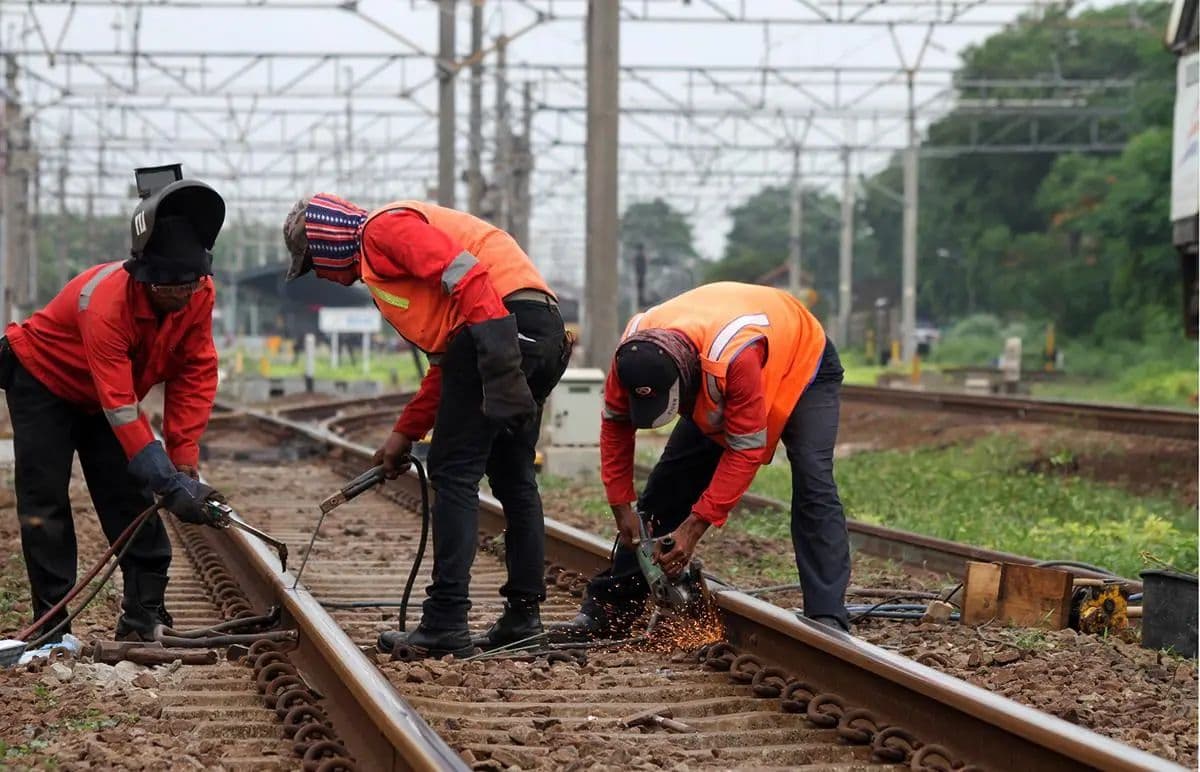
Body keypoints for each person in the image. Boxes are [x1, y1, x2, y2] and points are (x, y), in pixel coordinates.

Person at [282, 194, 571, 658]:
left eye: (315, 265)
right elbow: (447, 364)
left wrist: (498, 361)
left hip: (501, 327)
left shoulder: (381, 231)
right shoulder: (384, 270)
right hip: (539, 332)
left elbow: (467, 275)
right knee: (514, 478)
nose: (323, 277)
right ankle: (522, 618)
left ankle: (446, 622)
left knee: (453, 473)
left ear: (326, 241)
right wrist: (404, 434)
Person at [552, 281, 852, 640]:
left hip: (804, 365)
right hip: (722, 365)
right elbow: (616, 427)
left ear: (684, 382)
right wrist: (621, 505)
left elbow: (745, 451)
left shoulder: (734, 359)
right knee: (670, 481)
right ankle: (612, 609)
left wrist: (694, 527)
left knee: (812, 479)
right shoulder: (630, 354)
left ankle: (827, 615)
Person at [0, 170, 226, 643]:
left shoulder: (196, 294)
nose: (182, 296)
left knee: (128, 498)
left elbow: (195, 371)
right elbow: (120, 404)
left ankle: (144, 616)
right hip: (44, 381)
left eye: (191, 285)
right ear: (145, 279)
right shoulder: (105, 305)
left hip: (103, 398)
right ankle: (52, 629)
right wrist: (163, 474)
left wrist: (183, 463)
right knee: (45, 502)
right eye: (171, 288)